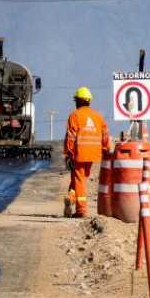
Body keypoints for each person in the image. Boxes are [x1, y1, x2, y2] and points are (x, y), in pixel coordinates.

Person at [64, 87, 110, 218]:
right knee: (80, 178)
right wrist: (106, 150)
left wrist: (68, 153)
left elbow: (71, 136)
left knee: (79, 180)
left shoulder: (75, 115)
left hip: (79, 153)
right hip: (93, 154)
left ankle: (81, 210)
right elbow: (105, 135)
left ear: (77, 101)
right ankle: (71, 197)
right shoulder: (98, 116)